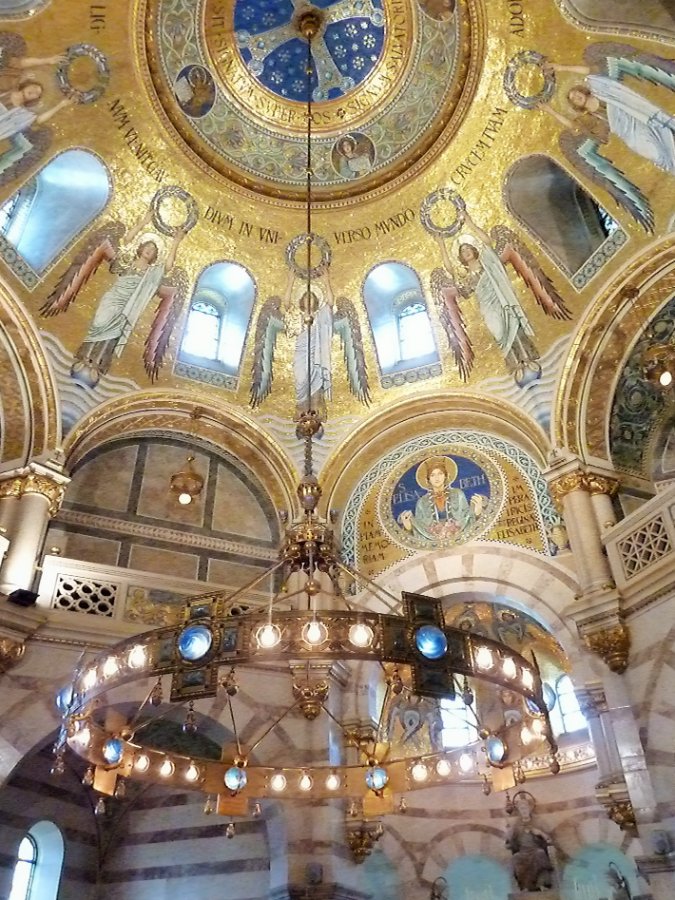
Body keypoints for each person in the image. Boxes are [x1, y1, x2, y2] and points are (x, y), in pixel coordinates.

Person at [71, 210, 186, 385]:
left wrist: (176, 242)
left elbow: (168, 267)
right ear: (141, 248)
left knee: (113, 334)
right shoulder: (127, 260)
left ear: (155, 256)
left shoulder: (151, 272)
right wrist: (144, 222)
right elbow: (127, 240)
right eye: (147, 247)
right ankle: (84, 357)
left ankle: (98, 364)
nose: (149, 250)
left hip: (128, 305)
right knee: (99, 324)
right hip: (113, 298)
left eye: (153, 250)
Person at [544, 61, 675, 174]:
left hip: (639, 118)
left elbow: (591, 71)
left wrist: (562, 68)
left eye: (576, 93)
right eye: (573, 99)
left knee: (664, 134)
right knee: (654, 155)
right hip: (630, 135)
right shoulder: (590, 118)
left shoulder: (601, 90)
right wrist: (551, 111)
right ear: (575, 105)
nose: (576, 97)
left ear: (582, 91)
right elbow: (573, 125)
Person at [452, 212, 540, 377]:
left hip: (501, 300)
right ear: (461, 257)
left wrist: (470, 223)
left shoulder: (487, 261)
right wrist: (441, 246)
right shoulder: (466, 278)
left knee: (513, 325)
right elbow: (459, 285)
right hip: (488, 308)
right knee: (499, 332)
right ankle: (514, 363)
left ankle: (527, 357)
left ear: (474, 249)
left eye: (468, 248)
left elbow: (487, 242)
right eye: (463, 251)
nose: (466, 252)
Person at [398, 456, 483, 543]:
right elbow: (421, 529)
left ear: (445, 476)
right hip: (433, 542)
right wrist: (409, 528)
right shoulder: (422, 502)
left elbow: (466, 518)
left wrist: (476, 513)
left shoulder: (458, 494)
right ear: (428, 479)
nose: (437, 478)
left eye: (440, 474)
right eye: (432, 475)